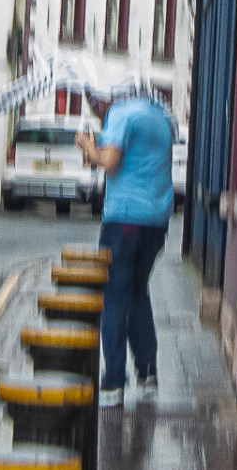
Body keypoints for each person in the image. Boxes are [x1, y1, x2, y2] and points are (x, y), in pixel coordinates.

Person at [76, 88, 177, 408]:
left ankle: (114, 382)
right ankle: (147, 374)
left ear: (104, 98)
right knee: (137, 291)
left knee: (114, 295)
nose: (95, 111)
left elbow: (110, 161)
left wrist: (88, 146)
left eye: (93, 102)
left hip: (124, 219)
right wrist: (96, 150)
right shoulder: (159, 115)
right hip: (157, 219)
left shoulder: (120, 114)